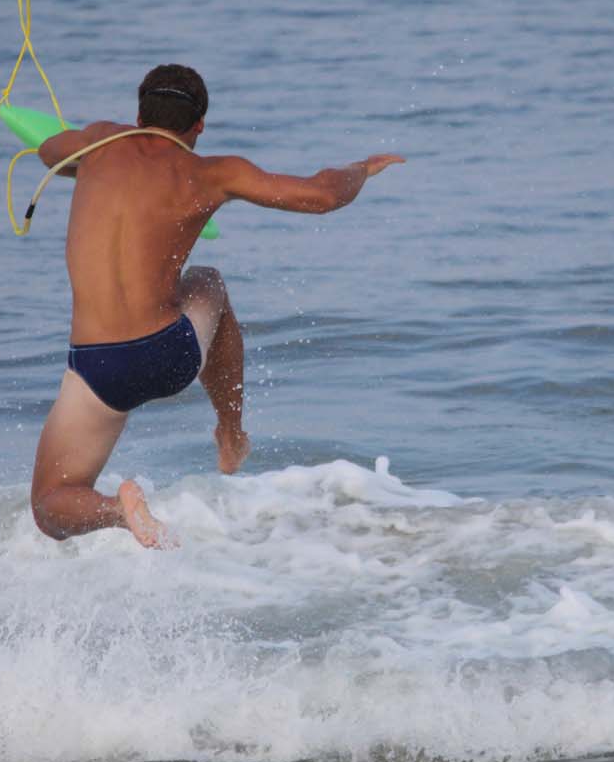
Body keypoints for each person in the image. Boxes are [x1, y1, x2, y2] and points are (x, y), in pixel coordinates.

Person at [30, 64, 405, 549]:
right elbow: (324, 195)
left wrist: (96, 150)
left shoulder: (98, 140)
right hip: (167, 353)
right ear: (200, 125)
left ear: (139, 114)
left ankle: (117, 511)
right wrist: (362, 169)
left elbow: (47, 151)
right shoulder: (212, 173)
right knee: (209, 280)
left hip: (96, 366)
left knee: (51, 504)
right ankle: (230, 435)